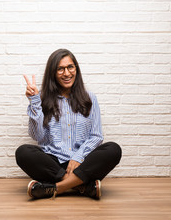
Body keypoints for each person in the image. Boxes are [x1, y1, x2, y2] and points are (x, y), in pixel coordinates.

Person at [16, 49, 122, 200]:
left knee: (113, 149)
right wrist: (34, 102)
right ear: (53, 73)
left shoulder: (90, 98)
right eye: (60, 69)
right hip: (54, 163)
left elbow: (96, 136)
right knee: (23, 152)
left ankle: (54, 188)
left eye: (70, 67)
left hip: (82, 163)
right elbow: (37, 136)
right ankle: (83, 186)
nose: (66, 73)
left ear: (76, 69)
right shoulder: (43, 99)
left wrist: (78, 157)